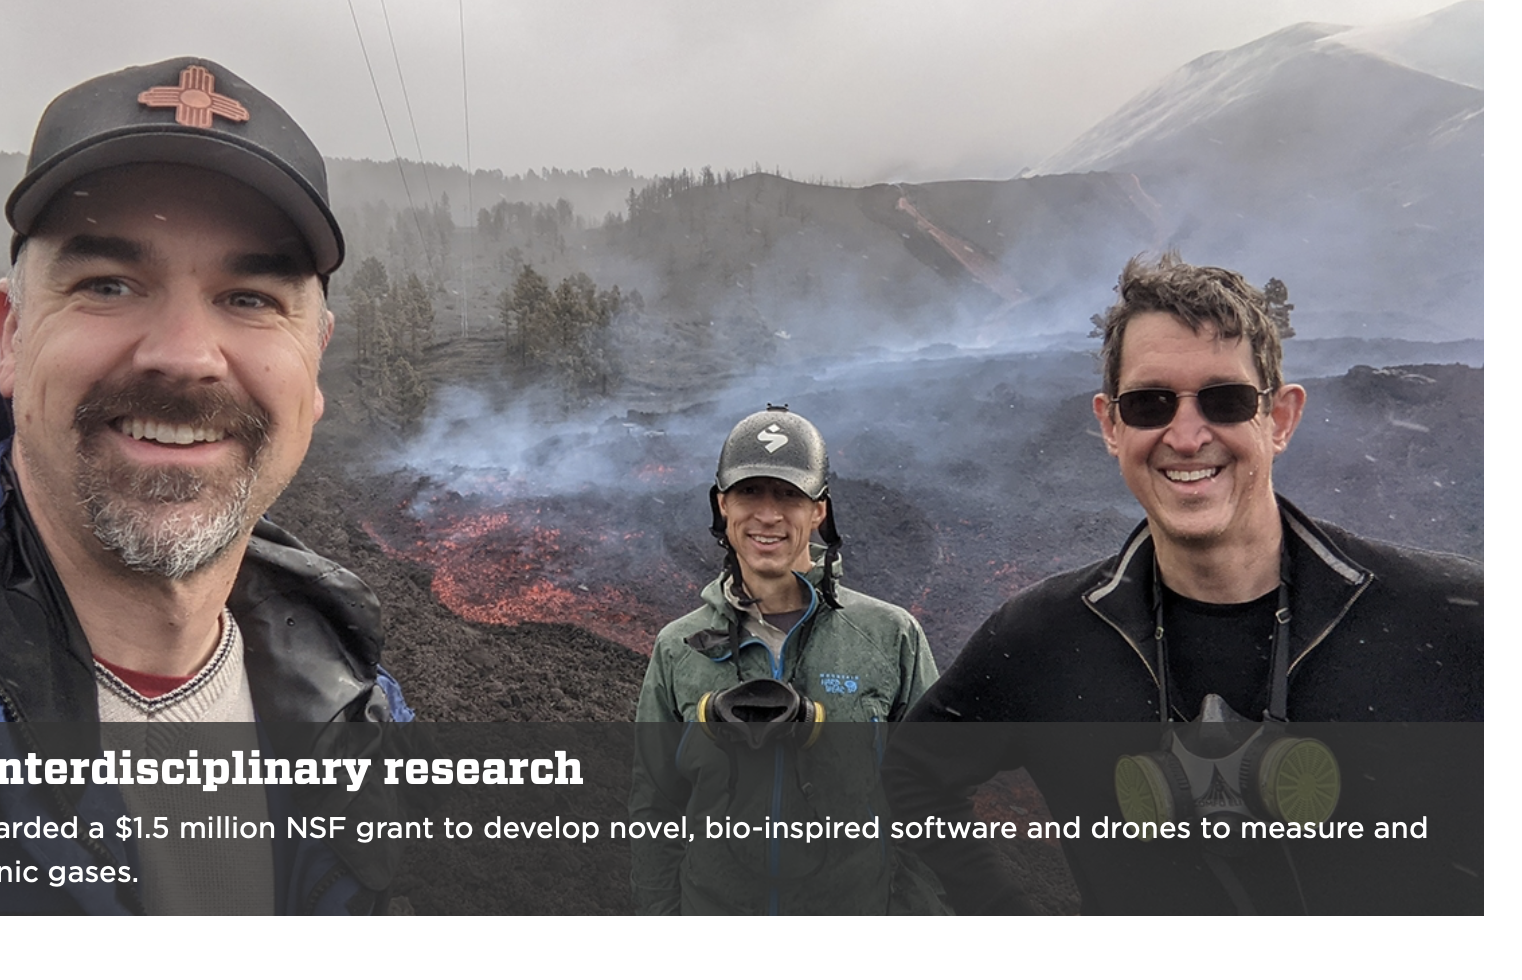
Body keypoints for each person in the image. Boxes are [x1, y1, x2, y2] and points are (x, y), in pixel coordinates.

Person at [0, 58, 408, 914]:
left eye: (251, 298)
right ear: (11, 336)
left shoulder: (357, 709)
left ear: (314, 360)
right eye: (108, 286)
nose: (184, 355)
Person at [884, 253, 1482, 914]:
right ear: (1110, 426)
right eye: (1149, 404)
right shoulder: (1042, 638)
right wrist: (1010, 916)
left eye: (1225, 400)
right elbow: (911, 776)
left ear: (1279, 419)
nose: (1188, 436)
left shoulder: (1455, 620)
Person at [628, 405, 946, 914]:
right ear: (722, 505)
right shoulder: (677, 648)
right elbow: (654, 807)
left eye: (789, 494)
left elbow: (932, 799)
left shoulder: (890, 638)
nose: (768, 515)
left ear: (819, 510)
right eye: (749, 492)